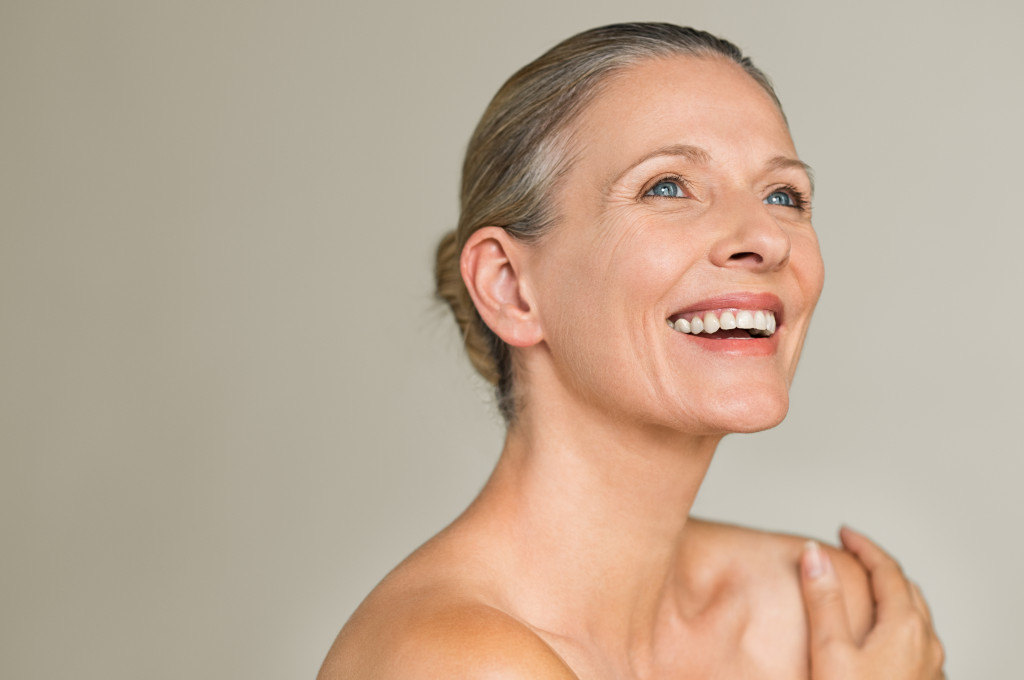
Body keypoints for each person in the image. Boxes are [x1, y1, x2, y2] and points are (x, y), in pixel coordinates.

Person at [318, 23, 945, 679]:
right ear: (509, 288)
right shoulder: (453, 661)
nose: (765, 237)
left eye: (783, 195)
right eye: (667, 186)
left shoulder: (824, 616)